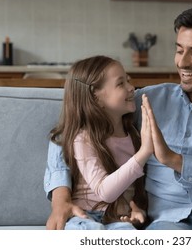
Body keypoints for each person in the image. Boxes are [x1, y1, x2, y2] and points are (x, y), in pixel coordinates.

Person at [44, 4, 192, 230]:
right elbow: (73, 129)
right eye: (179, 50)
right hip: (171, 219)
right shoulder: (145, 101)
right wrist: (60, 197)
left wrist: (175, 160)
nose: (182, 61)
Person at [46, 55, 154, 230]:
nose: (131, 88)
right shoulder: (83, 138)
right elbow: (105, 191)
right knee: (91, 231)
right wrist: (144, 153)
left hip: (118, 218)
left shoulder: (134, 134)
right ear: (96, 98)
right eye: (121, 84)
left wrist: (138, 212)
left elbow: (132, 189)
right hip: (85, 215)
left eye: (128, 80)